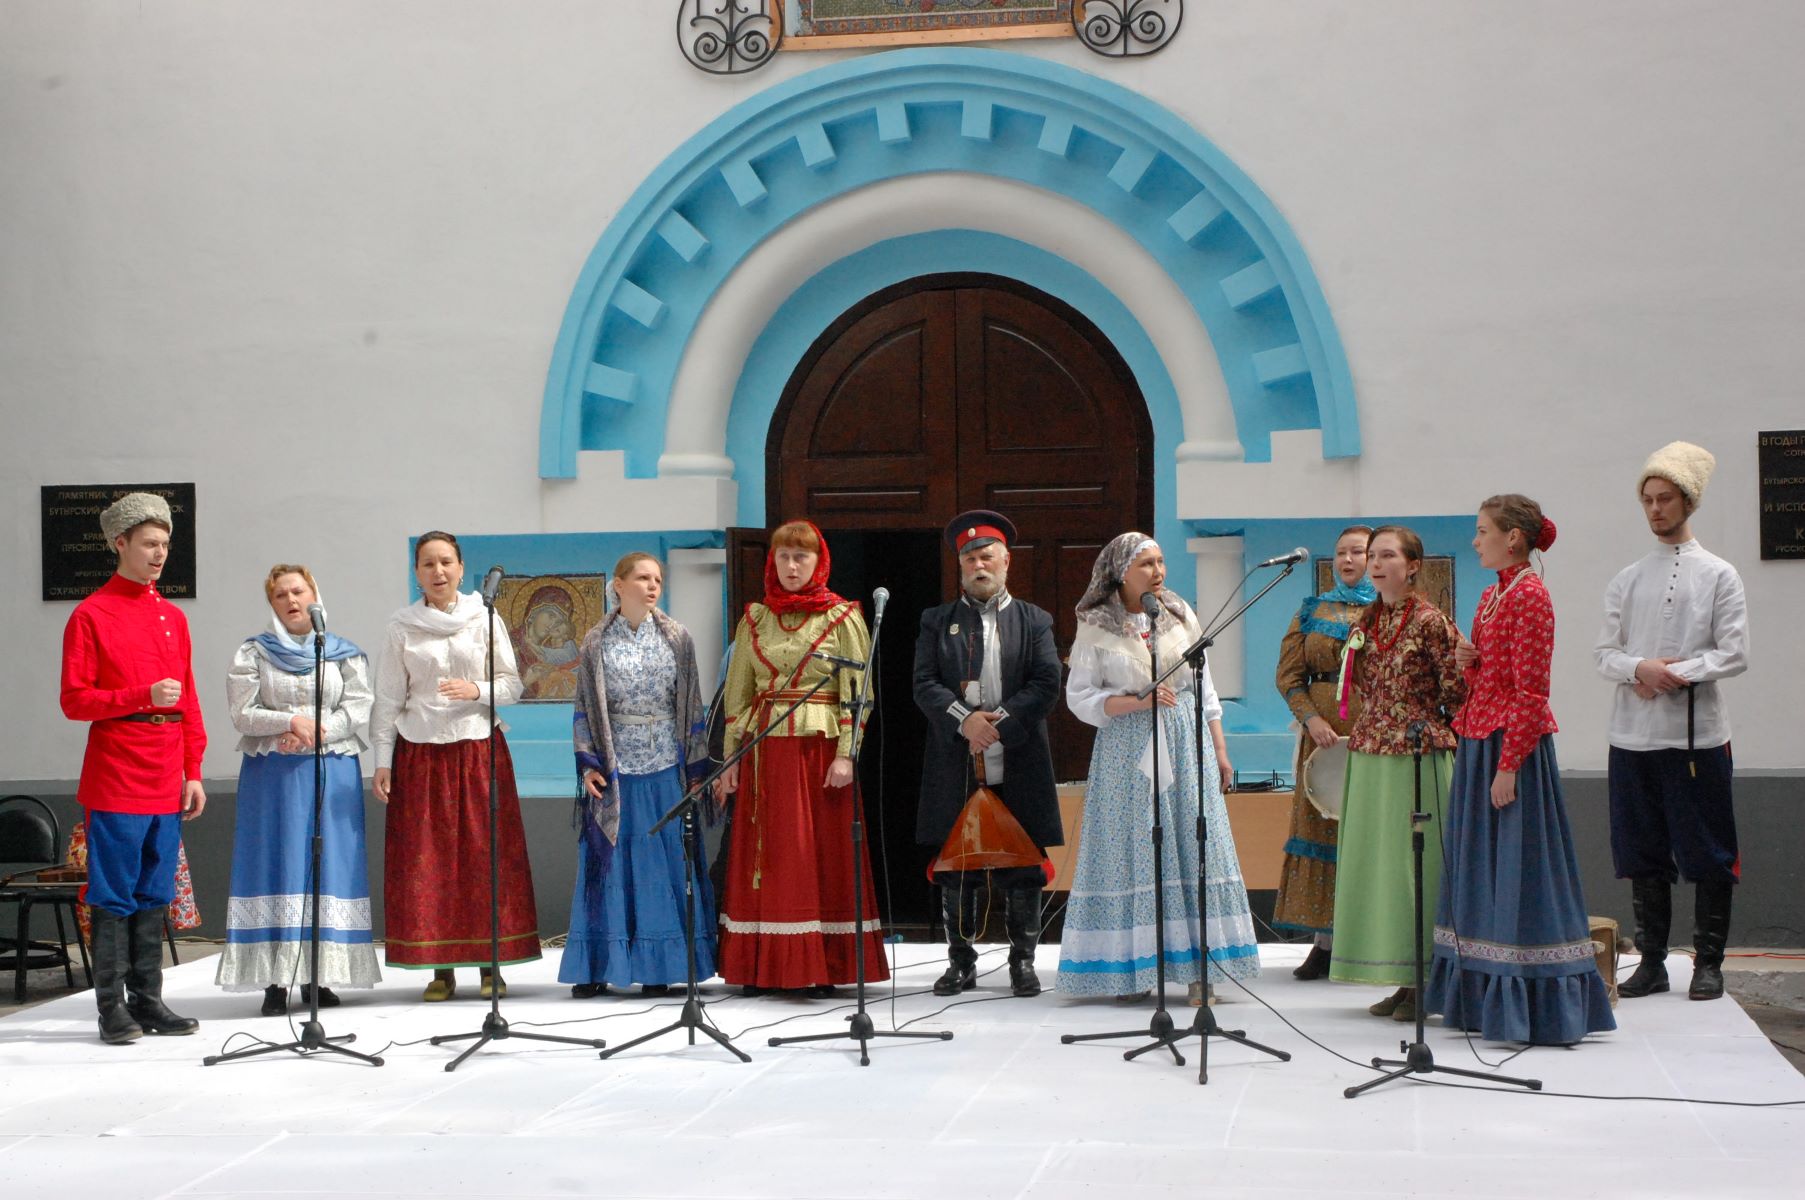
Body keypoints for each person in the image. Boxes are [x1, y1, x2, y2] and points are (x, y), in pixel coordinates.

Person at [1427, 498, 1616, 1043]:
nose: (1475, 540)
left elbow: (1532, 692)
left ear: (1513, 538)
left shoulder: (1531, 595)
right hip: (1480, 740)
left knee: (1518, 866)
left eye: (1482, 531)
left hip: (1513, 747)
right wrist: (1470, 663)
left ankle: (1533, 999)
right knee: (1481, 867)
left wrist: (1509, 766)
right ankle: (1481, 992)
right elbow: (1494, 680)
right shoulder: (1492, 595)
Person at [1056, 533, 1260, 1006]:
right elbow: (1079, 697)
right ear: (1120, 572)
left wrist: (1220, 748)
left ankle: (1202, 971)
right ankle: (1133, 968)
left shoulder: (1178, 613)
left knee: (1194, 841)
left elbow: (1205, 687)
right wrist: (1135, 701)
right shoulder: (1095, 625)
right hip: (1127, 747)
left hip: (1185, 739)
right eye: (1146, 563)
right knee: (1135, 846)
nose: (1158, 571)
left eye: (1161, 561)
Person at [1595, 442, 1748, 1001]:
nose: (1655, 509)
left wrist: (1670, 673)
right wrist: (1639, 667)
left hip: (1695, 738)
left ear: (1688, 501)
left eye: (1665, 499)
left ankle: (1709, 963)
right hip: (1631, 738)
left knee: (1708, 851)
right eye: (1648, 500)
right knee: (1642, 852)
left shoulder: (1720, 575)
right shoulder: (1628, 578)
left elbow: (1734, 653)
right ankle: (1652, 962)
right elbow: (1604, 653)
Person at [713, 520, 886, 995]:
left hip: (819, 754)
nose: (791, 566)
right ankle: (761, 967)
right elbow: (738, 696)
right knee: (768, 859)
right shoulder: (754, 619)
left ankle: (819, 966)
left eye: (801, 557)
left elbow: (859, 693)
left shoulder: (843, 617)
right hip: (764, 754)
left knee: (814, 856)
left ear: (818, 562)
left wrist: (847, 755)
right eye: (784, 557)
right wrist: (730, 761)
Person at [59, 492, 206, 1044]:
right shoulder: (90, 614)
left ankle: (149, 1000)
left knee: (155, 891)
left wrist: (194, 769)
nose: (159, 553)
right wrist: (141, 695)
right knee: (114, 892)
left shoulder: (173, 617)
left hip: (167, 770)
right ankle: (110, 1008)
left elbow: (189, 700)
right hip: (118, 769)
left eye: (164, 544)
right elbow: (75, 700)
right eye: (149, 543)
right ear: (120, 543)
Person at [370, 531, 541, 1000]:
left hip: (477, 749)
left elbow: (512, 685)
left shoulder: (484, 616)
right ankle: (440, 968)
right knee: (428, 862)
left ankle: (490, 965)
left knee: (486, 856)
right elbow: (388, 698)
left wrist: (477, 690)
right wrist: (382, 760)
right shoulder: (401, 626)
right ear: (416, 572)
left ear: (462, 569)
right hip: (420, 752)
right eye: (428, 564)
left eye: (446, 562)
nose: (438, 571)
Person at [215, 564, 380, 1015]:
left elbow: (359, 706)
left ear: (314, 595)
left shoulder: (343, 653)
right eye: (280, 595)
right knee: (277, 862)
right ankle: (275, 979)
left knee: (327, 864)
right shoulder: (253, 653)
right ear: (272, 604)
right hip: (274, 773)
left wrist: (315, 731)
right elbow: (242, 712)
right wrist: (288, 723)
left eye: (298, 591)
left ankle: (317, 976)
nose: (291, 600)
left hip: (331, 766)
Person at [911, 510, 1063, 998]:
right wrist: (966, 721)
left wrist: (999, 724)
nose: (979, 565)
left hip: (1018, 755)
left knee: (1024, 868)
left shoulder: (1034, 620)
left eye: (987, 557)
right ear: (960, 567)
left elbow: (1047, 681)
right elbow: (924, 684)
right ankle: (961, 963)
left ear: (1006, 562)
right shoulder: (936, 622)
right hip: (956, 758)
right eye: (970, 559)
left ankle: (1023, 963)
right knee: (959, 867)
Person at [1328, 525, 1465, 1023]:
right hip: (1370, 754)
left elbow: (1458, 688)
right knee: (1382, 868)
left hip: (1416, 757)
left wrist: (1429, 725)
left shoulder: (1430, 621)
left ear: (1413, 566)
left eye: (1388, 555)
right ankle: (1400, 974)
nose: (1376, 564)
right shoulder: (1369, 619)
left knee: (1416, 869)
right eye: (1374, 556)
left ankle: (1427, 980)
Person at [561, 552, 714, 998]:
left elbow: (692, 704)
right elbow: (584, 707)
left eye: (658, 580)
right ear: (619, 584)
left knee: (661, 864)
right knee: (610, 863)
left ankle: (658, 968)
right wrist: (589, 765)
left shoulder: (677, 637)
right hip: (617, 768)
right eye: (643, 578)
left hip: (665, 763)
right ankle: (599, 963)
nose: (652, 586)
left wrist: (696, 768)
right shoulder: (596, 641)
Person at [1271, 526, 1374, 979]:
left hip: (1375, 737)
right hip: (1322, 739)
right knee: (1323, 828)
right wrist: (1312, 719)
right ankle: (1324, 943)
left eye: (1358, 552)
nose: (1348, 560)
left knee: (1369, 833)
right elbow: (1288, 677)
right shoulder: (1311, 610)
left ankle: (1370, 941)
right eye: (1341, 553)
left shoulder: (1389, 610)